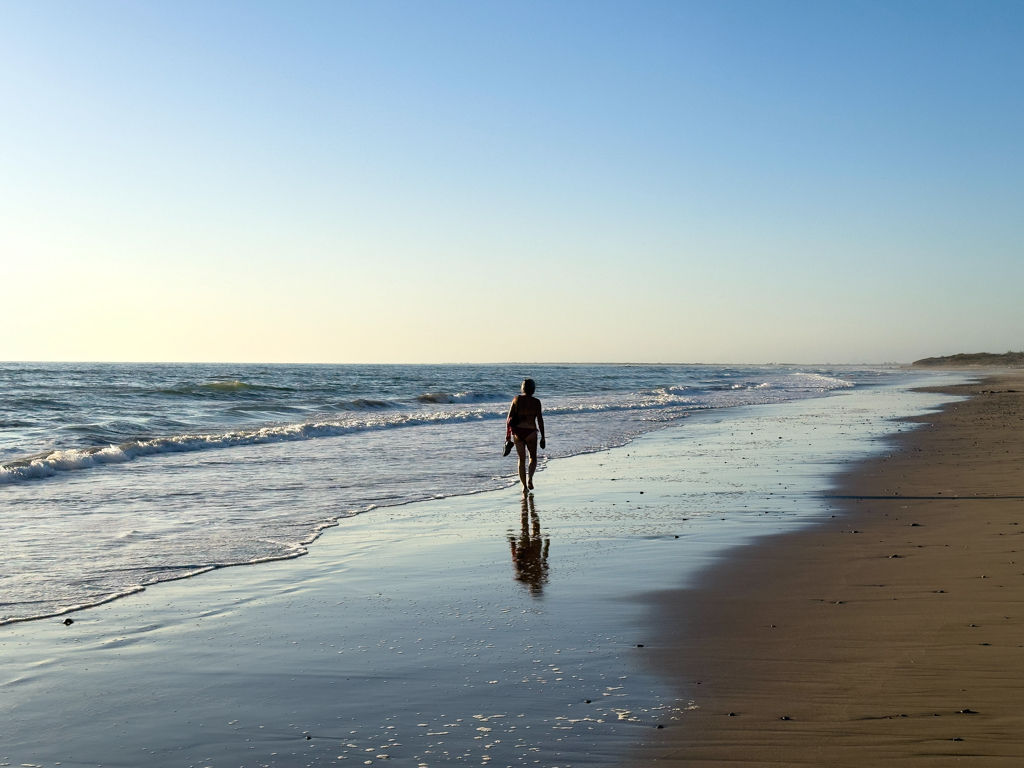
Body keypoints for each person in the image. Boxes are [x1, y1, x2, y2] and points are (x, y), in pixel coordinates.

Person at [506, 378, 545, 492]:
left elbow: (509, 419)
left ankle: (523, 487)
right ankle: (530, 479)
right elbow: (540, 420)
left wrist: (507, 436)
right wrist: (543, 436)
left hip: (518, 432)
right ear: (533, 389)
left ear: (522, 388)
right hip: (531, 431)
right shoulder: (536, 402)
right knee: (532, 458)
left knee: (521, 460)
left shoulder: (516, 399)